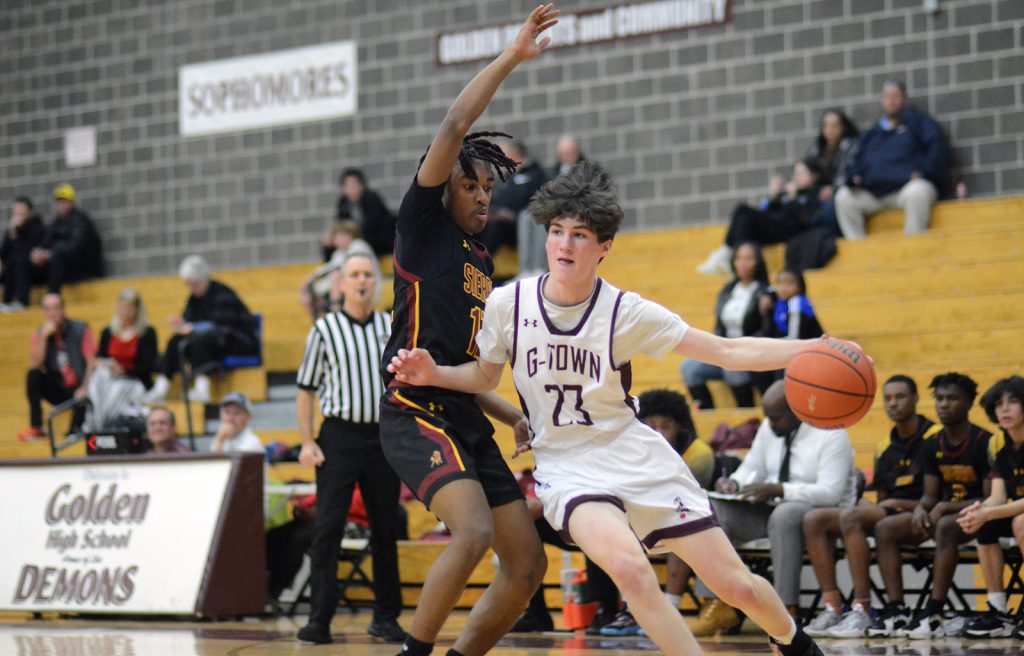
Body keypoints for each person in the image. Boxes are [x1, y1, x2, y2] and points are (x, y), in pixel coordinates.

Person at [387, 163, 831, 656]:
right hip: (569, 468)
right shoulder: (508, 303)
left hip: (637, 456)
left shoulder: (626, 311)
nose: (564, 245)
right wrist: (436, 374)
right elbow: (484, 377)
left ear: (603, 247)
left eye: (579, 235)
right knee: (630, 569)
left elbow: (726, 352)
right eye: (557, 232)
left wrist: (812, 349)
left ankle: (795, 643)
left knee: (739, 587)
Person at [377, 7, 559, 656]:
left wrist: (508, 412)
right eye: (470, 184)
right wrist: (513, 57)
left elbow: (463, 364)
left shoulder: (484, 262)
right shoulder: (422, 227)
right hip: (414, 410)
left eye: (490, 188)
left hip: (465, 412)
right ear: (443, 187)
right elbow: (456, 125)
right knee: (474, 532)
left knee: (528, 567)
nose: (483, 196)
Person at [294, 253, 406, 645]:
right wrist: (308, 441)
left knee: (386, 528)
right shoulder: (324, 330)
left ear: (375, 283)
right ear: (341, 284)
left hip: (381, 437)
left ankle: (386, 616)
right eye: (354, 275)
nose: (362, 281)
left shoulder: (389, 325)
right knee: (328, 527)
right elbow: (306, 390)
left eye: (367, 275)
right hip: (338, 437)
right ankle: (319, 619)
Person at [694, 381, 858, 636]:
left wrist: (781, 490)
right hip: (770, 509)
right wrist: (734, 482)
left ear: (798, 410)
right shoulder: (770, 429)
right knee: (713, 507)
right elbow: (752, 466)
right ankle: (717, 602)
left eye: (777, 418)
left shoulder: (832, 434)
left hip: (819, 514)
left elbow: (830, 492)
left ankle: (784, 609)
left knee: (786, 513)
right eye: (768, 417)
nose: (770, 424)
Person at [802, 375, 940, 638]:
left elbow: (939, 495)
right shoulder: (884, 446)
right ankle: (832, 607)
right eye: (888, 398)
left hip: (923, 512)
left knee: (852, 517)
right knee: (814, 519)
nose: (893, 404)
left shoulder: (933, 437)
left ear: (915, 399)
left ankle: (862, 608)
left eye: (900, 397)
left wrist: (896, 503)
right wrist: (874, 503)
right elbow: (883, 497)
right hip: (889, 512)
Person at [866, 373, 991, 639]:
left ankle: (934, 610)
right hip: (945, 516)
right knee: (886, 528)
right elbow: (930, 495)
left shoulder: (984, 442)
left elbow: (990, 499)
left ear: (969, 403)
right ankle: (897, 609)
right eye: (940, 399)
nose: (944, 405)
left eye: (952, 398)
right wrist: (922, 509)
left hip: (981, 518)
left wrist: (945, 508)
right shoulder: (932, 444)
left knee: (946, 525)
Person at [834, 79, 952, 240]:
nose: (891, 101)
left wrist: (924, 172)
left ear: (905, 99)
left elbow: (937, 152)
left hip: (905, 190)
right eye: (887, 96)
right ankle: (858, 250)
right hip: (875, 193)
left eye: (895, 96)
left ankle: (914, 245)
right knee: (844, 197)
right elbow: (857, 161)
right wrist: (855, 177)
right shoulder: (873, 134)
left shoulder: (920, 124)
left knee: (918, 191)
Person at [956, 376, 1024, 640]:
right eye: (998, 404)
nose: (1004, 409)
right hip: (1017, 511)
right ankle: (998, 610)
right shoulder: (998, 443)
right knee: (984, 523)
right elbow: (997, 497)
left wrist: (990, 512)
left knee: (1020, 522)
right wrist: (978, 511)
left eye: (1013, 402)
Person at [146, 255, 259, 404]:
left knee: (201, 339)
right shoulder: (194, 299)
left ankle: (202, 389)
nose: (191, 288)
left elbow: (221, 325)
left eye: (195, 284)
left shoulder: (223, 294)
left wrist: (191, 327)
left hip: (237, 341)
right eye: (189, 284)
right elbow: (189, 320)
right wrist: (181, 324)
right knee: (175, 340)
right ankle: (161, 388)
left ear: (205, 278)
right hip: (212, 341)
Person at [681, 241, 770, 409]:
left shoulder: (765, 292)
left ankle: (745, 410)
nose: (743, 264)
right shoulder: (728, 290)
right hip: (724, 348)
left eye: (749, 259)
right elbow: (719, 327)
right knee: (689, 367)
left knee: (732, 367)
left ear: (758, 262)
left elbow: (766, 331)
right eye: (739, 259)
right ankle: (707, 412)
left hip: (748, 351)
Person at [696, 160, 823, 275]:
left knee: (744, 211)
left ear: (814, 176)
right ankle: (728, 253)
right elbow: (766, 212)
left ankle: (732, 256)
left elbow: (808, 220)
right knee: (743, 215)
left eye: (801, 174)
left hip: (790, 232)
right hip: (774, 226)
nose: (796, 178)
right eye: (795, 174)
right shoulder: (788, 193)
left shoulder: (817, 193)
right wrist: (772, 196)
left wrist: (793, 199)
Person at [18, 293, 96, 441]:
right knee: (33, 374)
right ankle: (37, 427)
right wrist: (44, 338)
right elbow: (35, 364)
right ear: (44, 313)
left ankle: (75, 430)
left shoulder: (80, 328)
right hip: (59, 387)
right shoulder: (41, 333)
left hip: (80, 387)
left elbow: (91, 361)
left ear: (63, 309)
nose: (53, 313)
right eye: (48, 309)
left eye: (56, 308)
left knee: (83, 397)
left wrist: (86, 386)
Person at [85, 288, 159, 431]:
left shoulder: (147, 333)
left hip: (133, 380)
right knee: (98, 377)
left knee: (115, 390)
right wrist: (101, 364)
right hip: (108, 379)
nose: (125, 312)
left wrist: (123, 371)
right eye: (122, 308)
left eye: (129, 308)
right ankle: (92, 424)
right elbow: (101, 357)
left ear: (137, 310)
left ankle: (100, 427)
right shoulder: (108, 332)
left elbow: (147, 366)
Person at [477, 139, 549, 276]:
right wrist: (495, 211)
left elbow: (535, 199)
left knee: (496, 226)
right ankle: (470, 261)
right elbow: (494, 199)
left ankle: (482, 265)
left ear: (514, 153)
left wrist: (511, 214)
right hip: (499, 218)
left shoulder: (535, 173)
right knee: (479, 223)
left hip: (519, 222)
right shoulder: (506, 178)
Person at [30, 183, 104, 293]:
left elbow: (75, 247)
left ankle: (53, 294)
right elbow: (46, 241)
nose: (61, 205)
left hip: (84, 268)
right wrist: (39, 252)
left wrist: (50, 254)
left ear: (72, 202)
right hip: (65, 267)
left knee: (58, 251)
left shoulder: (80, 219)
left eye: (65, 201)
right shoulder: (57, 222)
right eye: (59, 202)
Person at [303, 220, 380, 318]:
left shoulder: (358, 246)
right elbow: (328, 268)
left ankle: (335, 314)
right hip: (352, 289)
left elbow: (345, 271)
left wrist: (319, 290)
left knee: (336, 277)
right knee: (308, 295)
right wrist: (311, 280)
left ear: (350, 235)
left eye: (341, 236)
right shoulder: (339, 253)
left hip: (368, 288)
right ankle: (326, 322)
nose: (338, 240)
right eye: (336, 237)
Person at [333, 168, 397, 257]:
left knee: (357, 246)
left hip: (379, 240)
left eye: (354, 185)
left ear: (361, 185)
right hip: (357, 240)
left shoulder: (371, 198)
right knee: (333, 246)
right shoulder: (343, 203)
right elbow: (341, 225)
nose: (351, 189)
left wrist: (351, 237)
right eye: (347, 186)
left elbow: (371, 226)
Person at [0, 196, 47, 311]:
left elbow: (27, 252)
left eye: (21, 211)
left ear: (29, 212)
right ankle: (6, 302)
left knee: (18, 260)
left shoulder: (37, 226)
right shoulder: (14, 229)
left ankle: (21, 302)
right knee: (9, 262)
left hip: (35, 270)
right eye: (15, 212)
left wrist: (15, 233)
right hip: (15, 269)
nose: (18, 214)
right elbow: (4, 251)